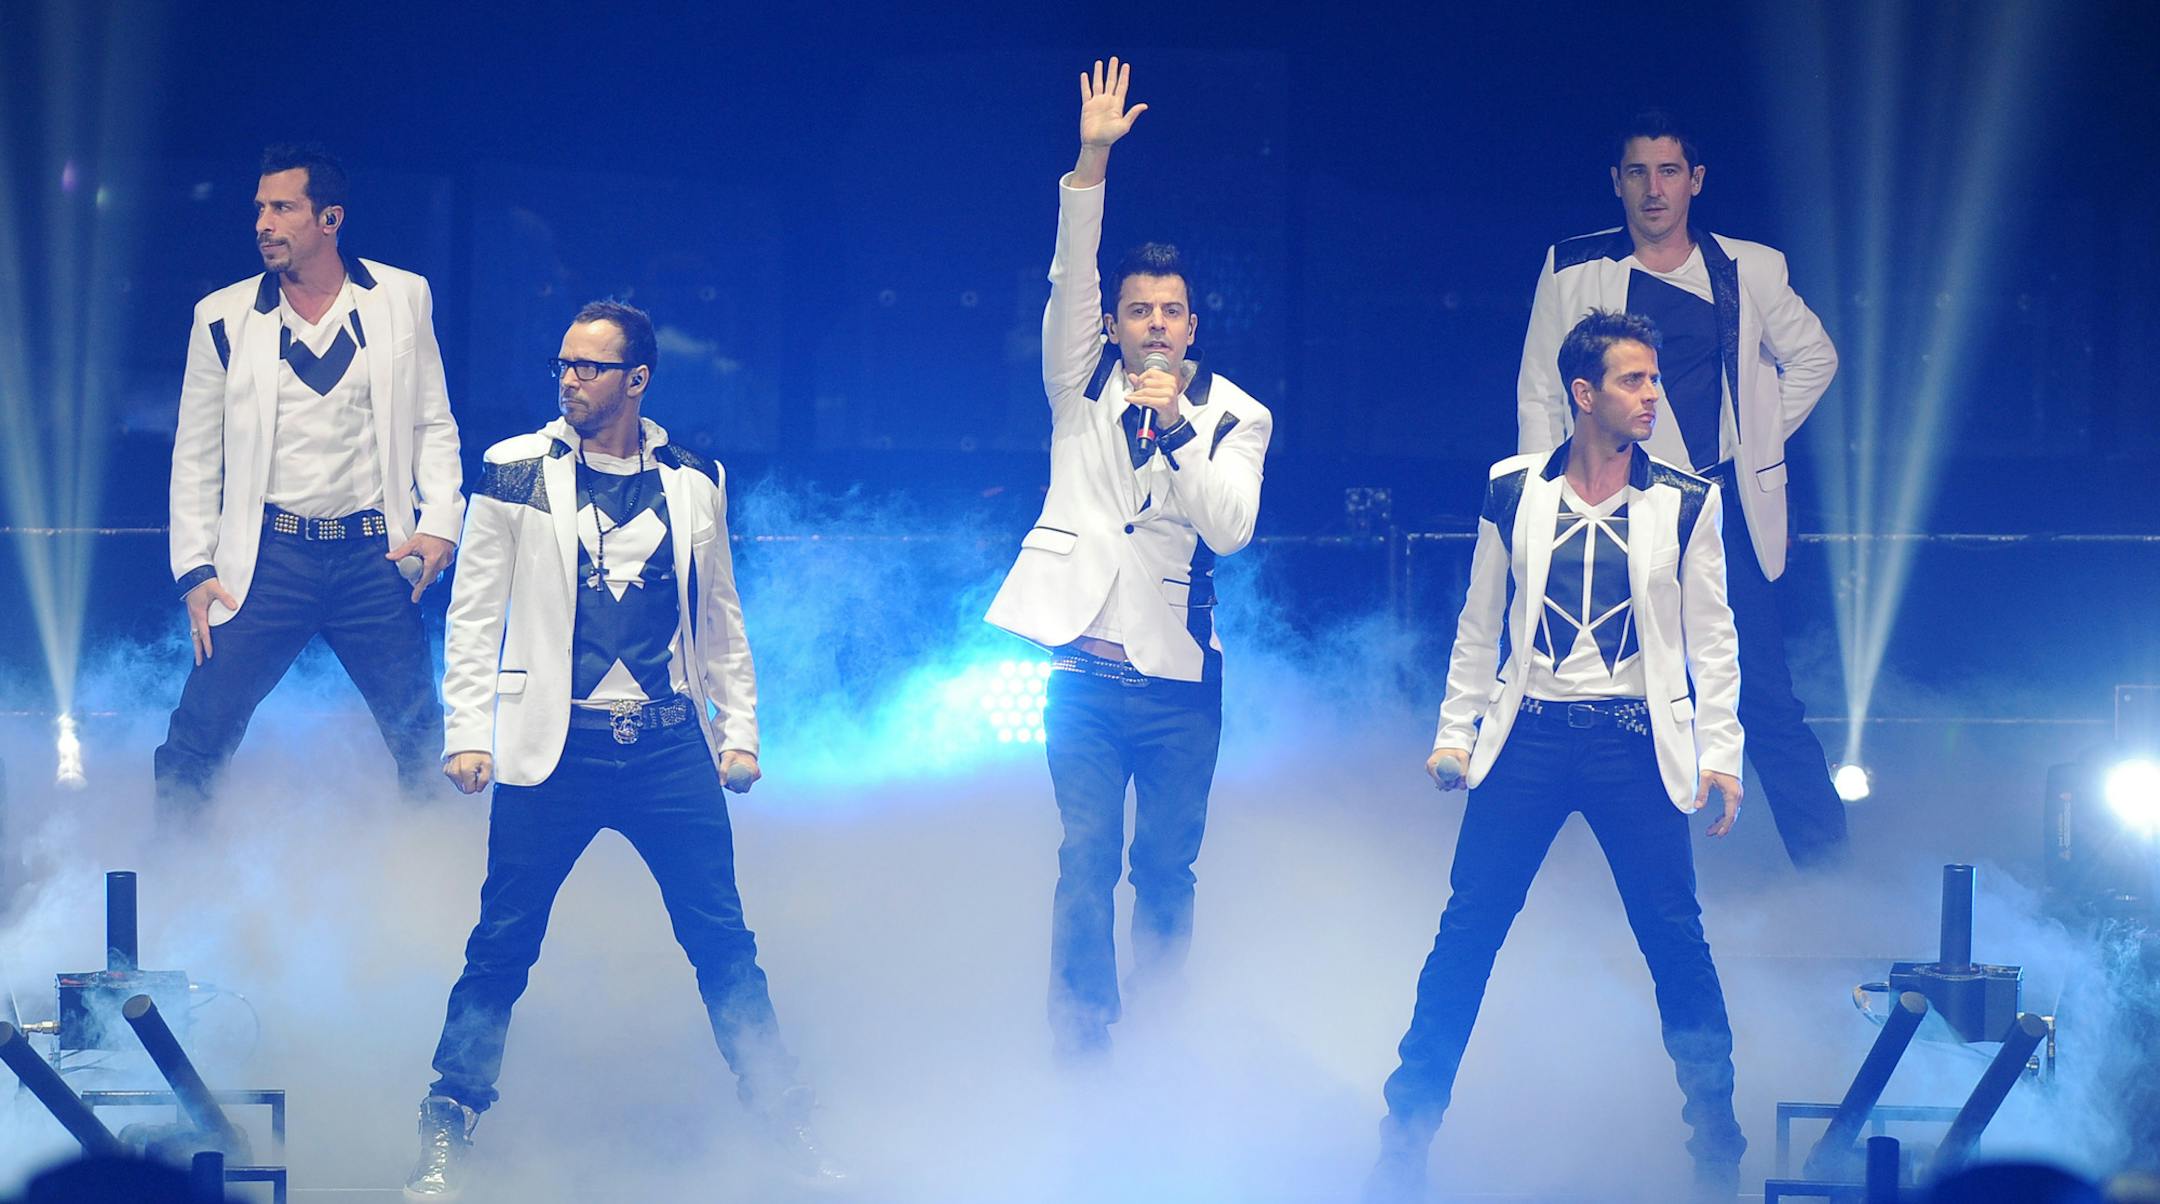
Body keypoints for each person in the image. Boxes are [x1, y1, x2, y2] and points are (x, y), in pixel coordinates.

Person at [404, 301, 839, 1198]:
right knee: (502, 943)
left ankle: (788, 1124)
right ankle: (448, 1123)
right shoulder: (515, 471)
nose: (570, 379)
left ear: (636, 379)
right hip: (552, 747)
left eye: (590, 367)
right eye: (563, 363)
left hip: (667, 743)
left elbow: (720, 618)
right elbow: (475, 611)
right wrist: (466, 734)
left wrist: (742, 733)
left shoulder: (692, 478)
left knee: (722, 942)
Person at [1369, 311, 1747, 1202]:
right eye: (1633, 381)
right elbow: (1477, 625)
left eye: (1654, 381)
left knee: (1675, 942)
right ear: (1585, 394)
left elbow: (1715, 638)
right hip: (1529, 734)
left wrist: (1720, 754)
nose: (1651, 396)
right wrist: (1454, 734)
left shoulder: (1686, 500)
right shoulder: (1513, 490)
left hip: (1633, 743)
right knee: (1465, 935)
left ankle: (1717, 1141)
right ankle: (1404, 1138)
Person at [984, 57, 1273, 1062]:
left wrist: (1179, 429)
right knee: (1083, 856)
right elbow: (1072, 270)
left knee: (1165, 870)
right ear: (1115, 323)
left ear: (1193, 326)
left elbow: (1230, 525)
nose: (1152, 325)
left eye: (1170, 312)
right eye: (1137, 310)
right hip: (1082, 673)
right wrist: (1091, 160)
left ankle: (1159, 1023)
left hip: (1182, 682)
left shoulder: (1236, 414)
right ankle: (1080, 1033)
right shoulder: (1080, 388)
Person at [1517, 111, 1845, 870]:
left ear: (1695, 182)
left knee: (1763, 698)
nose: (1653, 188)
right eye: (1638, 172)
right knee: (1595, 689)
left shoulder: (1747, 269)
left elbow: (1814, 358)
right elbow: (1541, 389)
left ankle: (1832, 876)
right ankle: (1599, 886)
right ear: (1617, 183)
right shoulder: (1573, 268)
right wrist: (1547, 501)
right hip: (1611, 503)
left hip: (1719, 510)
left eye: (1669, 172)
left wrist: (1753, 445)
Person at [157, 145, 462, 818]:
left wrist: (441, 519)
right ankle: (170, 880)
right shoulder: (223, 316)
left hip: (373, 557)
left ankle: (446, 881)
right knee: (198, 735)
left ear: (330, 219)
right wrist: (195, 568)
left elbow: (431, 423)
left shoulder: (401, 297)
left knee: (420, 737)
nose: (264, 222)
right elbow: (195, 453)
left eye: (282, 208)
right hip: (269, 559)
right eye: (260, 208)